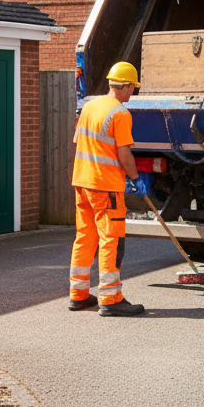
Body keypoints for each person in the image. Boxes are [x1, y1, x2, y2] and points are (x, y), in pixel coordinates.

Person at [68, 62, 147, 316]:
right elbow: (124, 154)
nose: (132, 93)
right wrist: (135, 177)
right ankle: (110, 298)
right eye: (132, 88)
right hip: (106, 187)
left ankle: (78, 295)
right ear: (123, 86)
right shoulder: (120, 114)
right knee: (110, 240)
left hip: (82, 181)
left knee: (85, 237)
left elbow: (77, 140)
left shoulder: (89, 106)